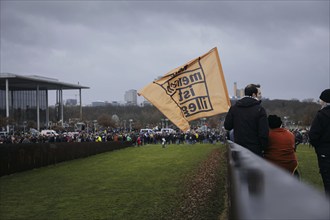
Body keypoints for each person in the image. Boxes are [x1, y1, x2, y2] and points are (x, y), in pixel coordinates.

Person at [224, 84, 269, 156]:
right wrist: (263, 148)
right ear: (254, 94)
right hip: (255, 150)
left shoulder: (234, 108)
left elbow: (227, 126)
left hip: (239, 148)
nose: (260, 96)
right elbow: (263, 132)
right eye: (259, 94)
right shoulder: (260, 109)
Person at [309, 89, 330, 197]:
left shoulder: (322, 115)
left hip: (325, 152)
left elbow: (313, 135)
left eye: (321, 99)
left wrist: (319, 147)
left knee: (328, 181)